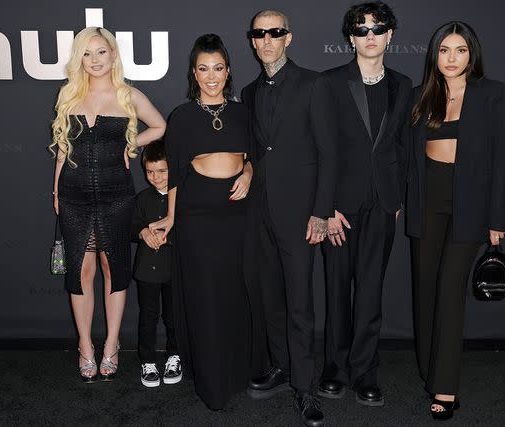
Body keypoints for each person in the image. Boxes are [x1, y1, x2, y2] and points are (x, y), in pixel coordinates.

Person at [406, 21, 505, 420]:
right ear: (434, 55)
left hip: (471, 201)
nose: (452, 58)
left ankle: (445, 387)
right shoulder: (420, 96)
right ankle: (429, 369)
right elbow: (407, 155)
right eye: (445, 50)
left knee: (451, 290)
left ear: (472, 55)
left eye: (461, 50)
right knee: (425, 290)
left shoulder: (491, 93)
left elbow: (502, 158)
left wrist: (498, 216)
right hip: (427, 198)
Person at [50, 26, 166, 383]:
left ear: (113, 55)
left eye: (101, 52)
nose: (95, 60)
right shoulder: (68, 95)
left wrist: (130, 145)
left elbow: (159, 127)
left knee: (113, 269)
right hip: (74, 196)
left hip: (117, 195)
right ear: (79, 59)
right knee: (80, 272)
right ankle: (85, 345)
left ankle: (112, 344)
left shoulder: (128, 95)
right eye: (87, 53)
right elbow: (63, 149)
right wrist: (56, 190)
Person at [149, 34, 258, 410]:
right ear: (193, 73)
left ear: (228, 71)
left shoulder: (244, 111)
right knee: (205, 298)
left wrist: (248, 170)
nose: (211, 76)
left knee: (235, 294)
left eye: (218, 68)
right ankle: (211, 382)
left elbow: (258, 154)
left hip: (238, 214)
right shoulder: (182, 117)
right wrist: (171, 218)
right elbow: (176, 176)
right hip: (197, 217)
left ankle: (238, 373)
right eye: (203, 69)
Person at [242, 9, 337, 427]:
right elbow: (255, 151)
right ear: (253, 41)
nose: (266, 39)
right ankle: (281, 367)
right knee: (271, 298)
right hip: (259, 211)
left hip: (301, 214)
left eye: (274, 32)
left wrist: (321, 210)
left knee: (300, 304)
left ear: (288, 38)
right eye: (259, 33)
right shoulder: (247, 92)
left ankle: (304, 386)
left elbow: (331, 153)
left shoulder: (314, 84)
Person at [315, 1, 412, 407]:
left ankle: (365, 372)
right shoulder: (330, 82)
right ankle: (335, 369)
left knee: (371, 292)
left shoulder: (403, 85)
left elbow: (403, 146)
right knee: (337, 290)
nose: (369, 36)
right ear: (350, 38)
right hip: (340, 206)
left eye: (377, 28)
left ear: (390, 35)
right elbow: (322, 147)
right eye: (361, 29)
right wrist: (327, 207)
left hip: (382, 204)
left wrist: (396, 198)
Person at [131, 141, 182, 388]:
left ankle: (174, 356)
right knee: (148, 317)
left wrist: (166, 236)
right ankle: (148, 361)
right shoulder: (141, 198)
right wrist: (143, 232)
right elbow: (131, 225)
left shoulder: (182, 200)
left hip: (174, 269)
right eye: (150, 172)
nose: (156, 177)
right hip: (147, 271)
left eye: (162, 171)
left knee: (174, 317)